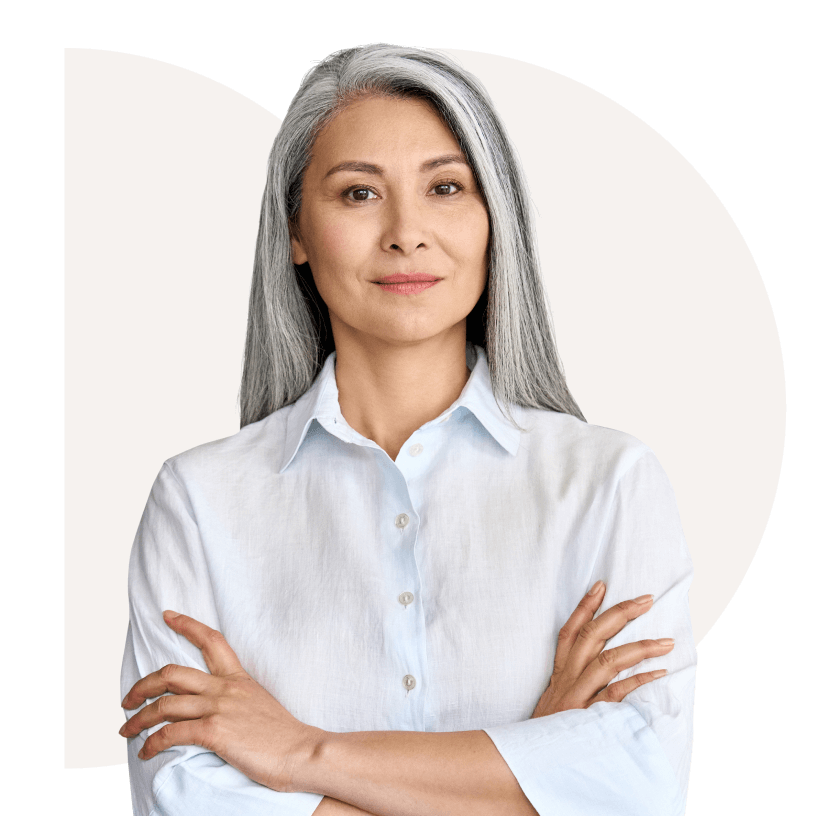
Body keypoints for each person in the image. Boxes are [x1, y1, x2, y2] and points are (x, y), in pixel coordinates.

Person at [119, 44, 696, 816]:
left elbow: (643, 787)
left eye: (446, 187)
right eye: (359, 194)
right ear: (296, 231)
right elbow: (186, 799)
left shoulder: (610, 483)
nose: (406, 233)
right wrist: (533, 766)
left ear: (496, 220)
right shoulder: (198, 500)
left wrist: (299, 753)